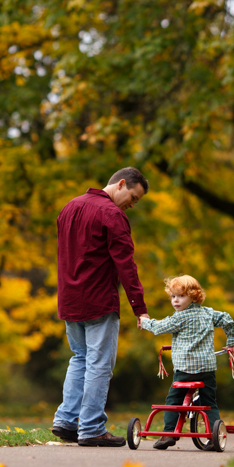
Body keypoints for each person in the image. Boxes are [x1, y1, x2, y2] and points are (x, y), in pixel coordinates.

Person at [52, 167, 150, 447]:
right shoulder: (112, 215)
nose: (132, 204)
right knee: (98, 364)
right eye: (133, 197)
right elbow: (126, 265)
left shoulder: (69, 207)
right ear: (120, 184)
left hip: (69, 298)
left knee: (79, 359)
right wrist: (139, 307)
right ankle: (92, 428)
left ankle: (67, 421)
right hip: (98, 300)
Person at [139, 274, 234, 450]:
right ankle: (214, 435)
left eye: (181, 296)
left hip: (184, 370)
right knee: (209, 402)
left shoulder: (179, 318)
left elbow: (158, 328)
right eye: (173, 296)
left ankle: (168, 433)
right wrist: (232, 343)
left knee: (173, 401)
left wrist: (145, 322)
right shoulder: (208, 313)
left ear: (194, 296)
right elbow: (228, 320)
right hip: (207, 369)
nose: (176, 301)